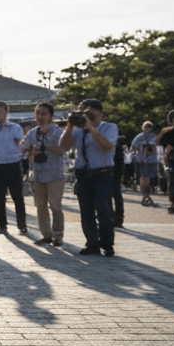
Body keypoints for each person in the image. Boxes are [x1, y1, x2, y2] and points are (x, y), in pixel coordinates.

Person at [60, 98, 119, 257]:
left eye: (87, 113)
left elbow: (107, 147)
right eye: (80, 113)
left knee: (103, 210)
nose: (83, 116)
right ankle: (92, 244)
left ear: (98, 114)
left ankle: (107, 244)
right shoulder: (77, 131)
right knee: (86, 212)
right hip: (83, 175)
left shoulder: (109, 127)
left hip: (102, 174)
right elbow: (63, 146)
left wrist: (91, 128)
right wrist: (70, 126)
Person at [22, 102, 67, 246]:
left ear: (51, 117)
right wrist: (28, 150)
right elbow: (21, 148)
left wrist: (45, 147)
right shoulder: (32, 132)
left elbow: (62, 150)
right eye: (37, 113)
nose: (40, 117)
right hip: (38, 174)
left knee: (55, 205)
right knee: (40, 205)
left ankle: (58, 235)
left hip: (55, 174)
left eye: (43, 114)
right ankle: (47, 235)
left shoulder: (58, 132)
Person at [0, 101, 27, 235]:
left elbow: (21, 144)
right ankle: (2, 225)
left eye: (1, 110)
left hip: (13, 164)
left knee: (17, 197)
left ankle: (22, 225)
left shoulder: (15, 127)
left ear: (6, 112)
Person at [130, 121, 160, 206]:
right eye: (146, 127)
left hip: (152, 160)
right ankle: (145, 195)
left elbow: (157, 147)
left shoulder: (154, 137)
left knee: (150, 177)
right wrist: (136, 155)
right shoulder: (139, 137)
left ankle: (148, 193)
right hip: (143, 160)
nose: (147, 129)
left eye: (149, 127)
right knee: (144, 177)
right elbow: (133, 147)